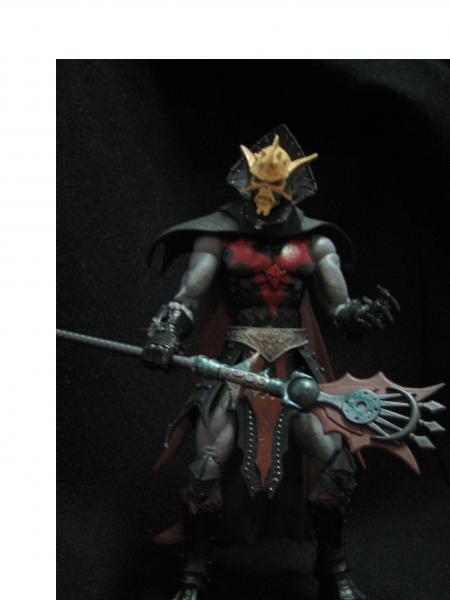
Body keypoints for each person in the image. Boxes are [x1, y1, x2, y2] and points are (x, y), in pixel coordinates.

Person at [143, 125, 399, 600]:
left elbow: (339, 309)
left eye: (274, 190)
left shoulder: (316, 242)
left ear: (292, 188)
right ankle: (193, 574)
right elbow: (189, 296)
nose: (264, 200)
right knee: (204, 467)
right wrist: (167, 329)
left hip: (296, 371)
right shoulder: (217, 238)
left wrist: (361, 315)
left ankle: (333, 569)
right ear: (247, 182)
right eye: (258, 189)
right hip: (237, 365)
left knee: (336, 464)